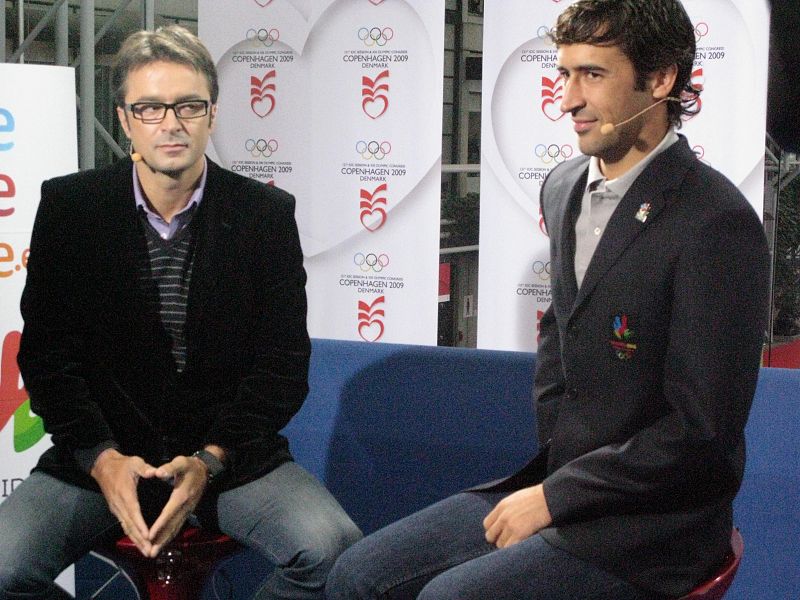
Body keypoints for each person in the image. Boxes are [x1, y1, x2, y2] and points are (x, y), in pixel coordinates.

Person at [325, 1, 769, 599]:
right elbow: (558, 344)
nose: (566, 100)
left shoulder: (715, 221)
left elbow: (701, 432)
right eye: (564, 74)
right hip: (562, 486)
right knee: (357, 575)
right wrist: (556, 484)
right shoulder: (561, 186)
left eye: (593, 74)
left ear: (661, 79)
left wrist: (558, 499)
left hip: (657, 529)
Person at [0, 25, 361, 600]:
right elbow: (47, 359)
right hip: (104, 460)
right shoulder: (71, 209)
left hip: (229, 462)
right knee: (3, 566)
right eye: (150, 108)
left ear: (211, 114)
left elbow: (281, 367)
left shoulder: (263, 214)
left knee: (335, 553)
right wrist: (100, 458)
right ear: (124, 120)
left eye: (188, 105)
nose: (171, 123)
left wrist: (211, 460)